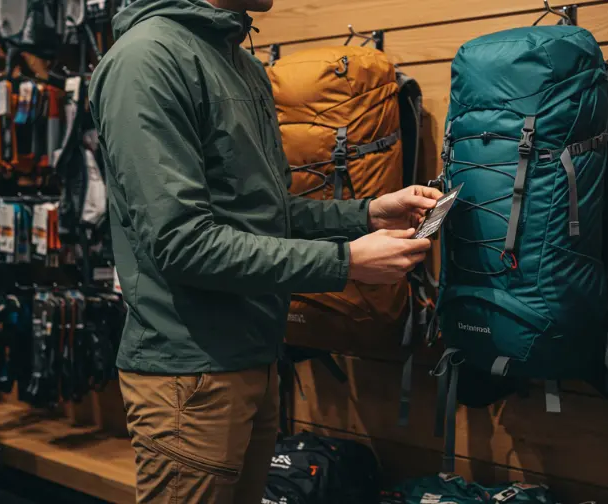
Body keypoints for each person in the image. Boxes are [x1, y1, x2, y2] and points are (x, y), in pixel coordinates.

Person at [89, 0, 442, 502]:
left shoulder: (241, 62)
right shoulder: (147, 59)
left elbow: (263, 214)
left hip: (255, 356)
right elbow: (182, 243)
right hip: (188, 376)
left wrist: (366, 214)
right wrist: (347, 264)